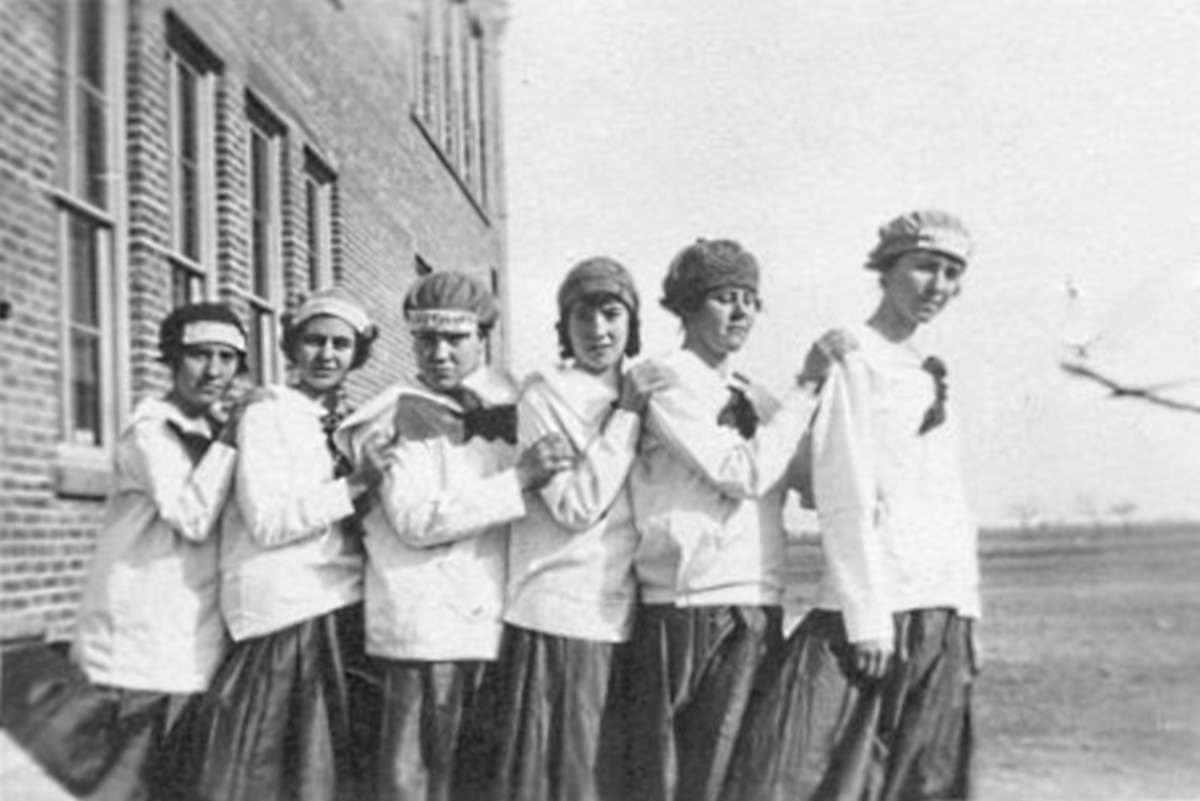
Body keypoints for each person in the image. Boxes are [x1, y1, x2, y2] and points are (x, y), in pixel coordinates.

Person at [722, 210, 981, 801]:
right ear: (886, 271)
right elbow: (844, 495)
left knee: (919, 782)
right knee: (800, 776)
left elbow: (949, 502)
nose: (937, 285)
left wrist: (967, 614)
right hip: (875, 609)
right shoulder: (853, 357)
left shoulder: (925, 370)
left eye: (951, 273)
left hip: (940, 607)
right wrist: (867, 620)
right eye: (924, 267)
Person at [611, 239, 846, 801]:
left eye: (749, 299)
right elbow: (741, 474)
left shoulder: (753, 393)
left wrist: (821, 410)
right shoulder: (666, 380)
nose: (741, 311)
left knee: (740, 779)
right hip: (691, 604)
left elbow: (812, 486)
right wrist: (805, 389)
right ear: (688, 306)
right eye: (723, 297)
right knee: (681, 778)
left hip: (758, 600)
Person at [336, 271, 572, 801]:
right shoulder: (393, 415)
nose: (439, 353)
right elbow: (416, 521)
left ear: (482, 337)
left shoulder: (513, 403)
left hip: (499, 625)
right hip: (426, 629)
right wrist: (520, 479)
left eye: (454, 339)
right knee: (416, 781)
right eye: (426, 339)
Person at [453, 257, 665, 801]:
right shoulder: (544, 396)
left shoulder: (647, 392)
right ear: (564, 326)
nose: (598, 329)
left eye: (612, 313)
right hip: (561, 614)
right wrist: (627, 417)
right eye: (582, 316)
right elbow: (575, 506)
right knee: (563, 780)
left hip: (625, 614)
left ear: (632, 321)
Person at [175, 288, 389, 801]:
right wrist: (356, 484)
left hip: (342, 606)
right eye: (314, 341)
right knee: (277, 770)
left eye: (341, 344)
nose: (327, 354)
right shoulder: (267, 413)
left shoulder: (351, 421)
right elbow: (268, 521)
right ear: (292, 346)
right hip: (288, 615)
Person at [71, 302, 248, 799]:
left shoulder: (211, 431)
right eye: (198, 355)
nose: (213, 371)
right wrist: (231, 438)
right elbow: (192, 516)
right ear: (172, 358)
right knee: (122, 780)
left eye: (227, 357)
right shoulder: (151, 430)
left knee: (176, 781)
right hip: (138, 633)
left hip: (194, 635)